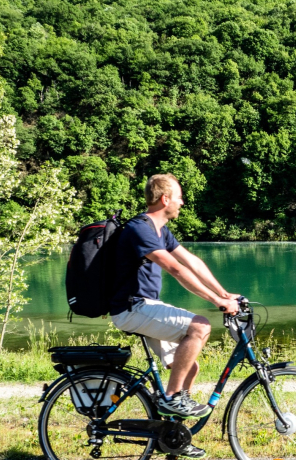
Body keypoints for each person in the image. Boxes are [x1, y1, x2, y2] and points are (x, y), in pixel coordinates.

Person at [109, 173, 240, 458]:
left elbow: (191, 261)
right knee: (200, 327)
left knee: (189, 368)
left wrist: (225, 294)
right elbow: (175, 269)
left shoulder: (160, 230)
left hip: (142, 307)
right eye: (179, 197)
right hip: (132, 308)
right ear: (164, 199)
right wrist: (215, 301)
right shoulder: (140, 228)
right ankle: (172, 399)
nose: (182, 203)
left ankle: (174, 437)